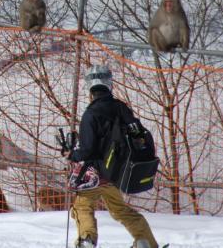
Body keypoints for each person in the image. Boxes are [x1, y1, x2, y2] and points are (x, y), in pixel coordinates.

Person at [64, 65, 158, 248]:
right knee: (120, 210)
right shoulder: (121, 108)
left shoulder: (90, 114)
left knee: (82, 206)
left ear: (89, 86)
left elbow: (88, 150)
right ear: (109, 83)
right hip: (116, 172)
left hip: (96, 173)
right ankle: (144, 241)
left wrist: (72, 154)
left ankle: (87, 240)